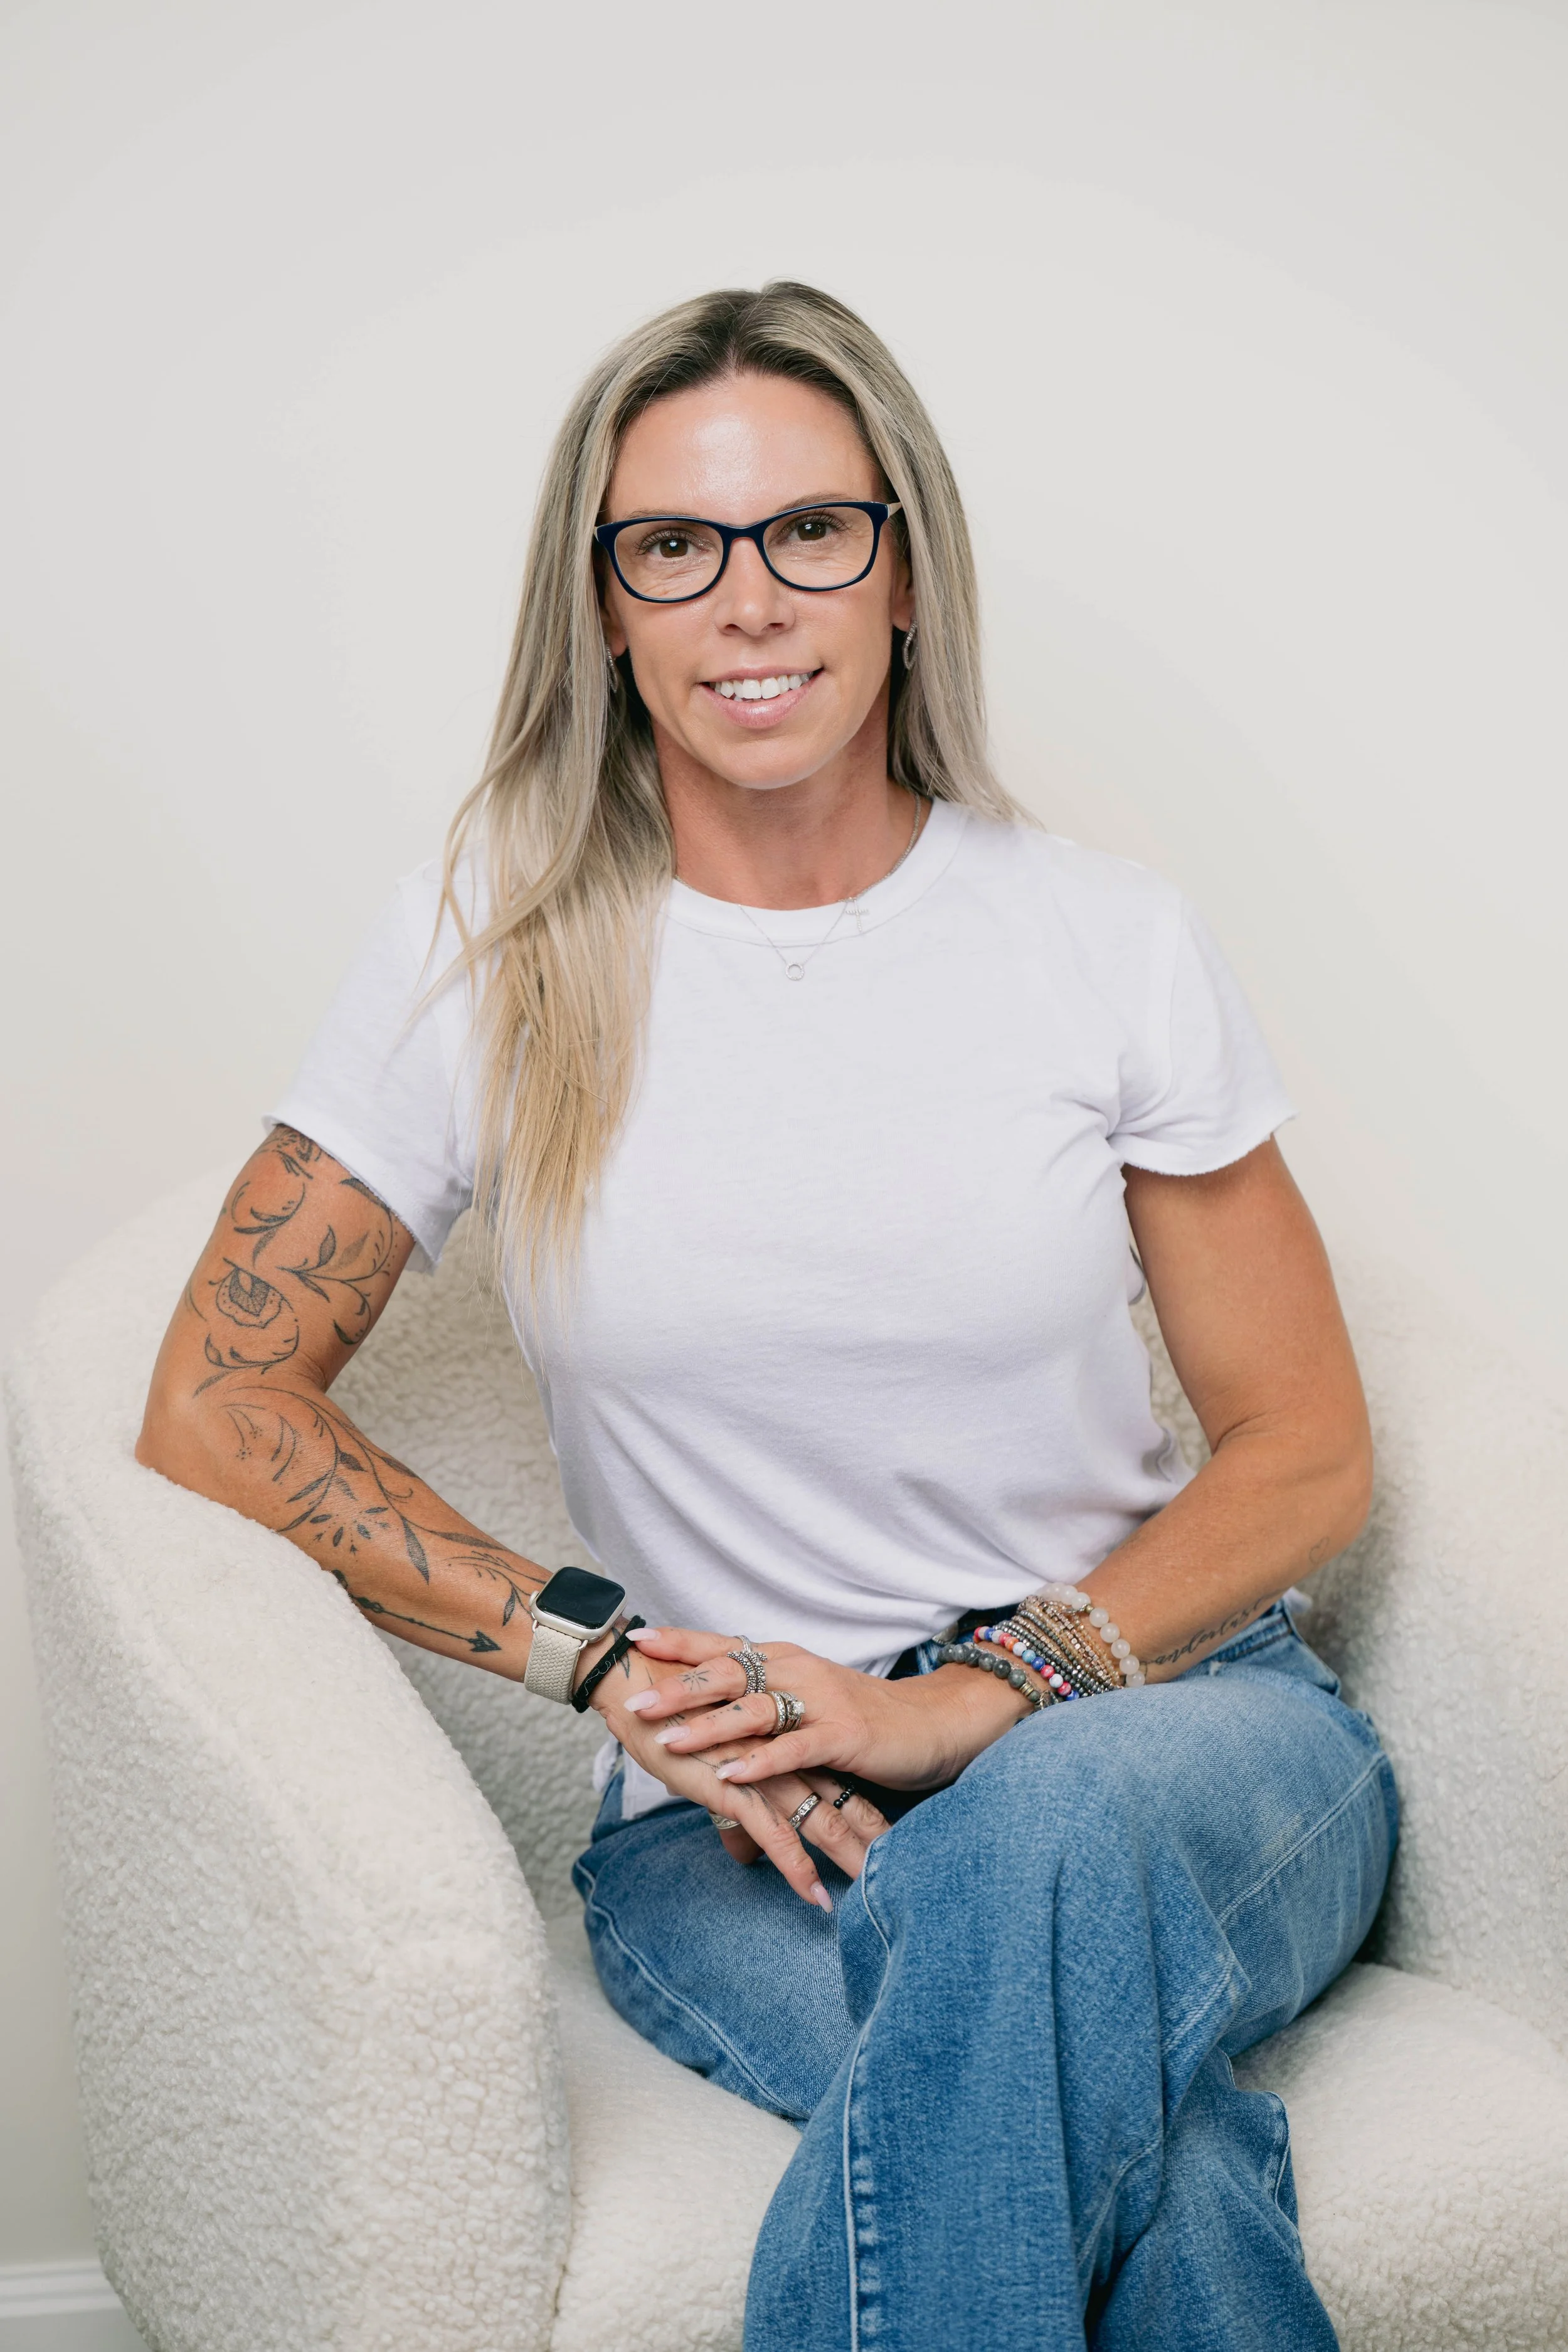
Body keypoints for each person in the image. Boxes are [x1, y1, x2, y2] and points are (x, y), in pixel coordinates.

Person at [137, 280, 1395, 2349]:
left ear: (904, 568)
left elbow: (1305, 1446)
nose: (749, 599)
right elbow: (212, 1392)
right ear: (605, 606)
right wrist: (609, 1656)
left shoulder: (1097, 939)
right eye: (674, 546)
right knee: (1146, 2160)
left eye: (813, 529)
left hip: (1168, 1734)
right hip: (744, 1838)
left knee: (1051, 1832)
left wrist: (978, 1695)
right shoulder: (495, 948)